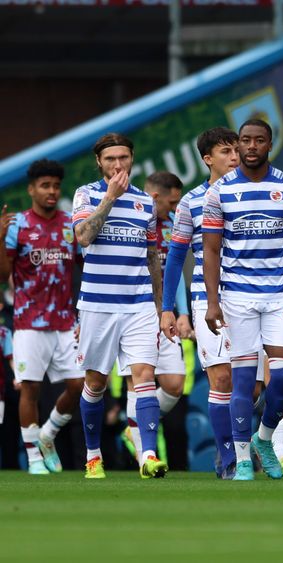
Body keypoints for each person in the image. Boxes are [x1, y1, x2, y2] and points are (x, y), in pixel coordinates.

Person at [202, 118, 283, 481]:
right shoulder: (219, 192)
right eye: (244, 141)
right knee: (244, 380)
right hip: (237, 297)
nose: (250, 147)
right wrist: (212, 301)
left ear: (270, 144)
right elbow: (210, 249)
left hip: (279, 294)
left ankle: (263, 439)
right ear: (238, 147)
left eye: (258, 141)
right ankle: (243, 460)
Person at [72, 133, 166, 479]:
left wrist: (160, 306)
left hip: (139, 303)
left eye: (123, 158)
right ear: (99, 162)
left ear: (132, 159)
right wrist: (110, 198)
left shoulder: (146, 202)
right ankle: (93, 456)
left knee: (144, 377)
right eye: (110, 159)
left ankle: (149, 455)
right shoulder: (86, 194)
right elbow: (83, 237)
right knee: (96, 382)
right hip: (98, 304)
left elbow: (153, 256)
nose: (117, 165)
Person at [160, 127, 241, 478]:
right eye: (226, 151)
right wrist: (168, 308)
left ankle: (252, 443)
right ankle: (229, 457)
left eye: (236, 150)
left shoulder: (253, 193)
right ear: (208, 158)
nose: (235, 156)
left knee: (252, 384)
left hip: (251, 294)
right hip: (206, 298)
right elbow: (175, 258)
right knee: (221, 379)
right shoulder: (191, 202)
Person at [0, 159, 83, 475]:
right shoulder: (17, 225)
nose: (52, 191)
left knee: (79, 385)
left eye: (56, 186)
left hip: (65, 323)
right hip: (28, 324)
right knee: (30, 390)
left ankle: (47, 434)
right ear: (31, 189)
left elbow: (83, 265)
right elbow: (2, 274)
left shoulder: (69, 224)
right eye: (45, 186)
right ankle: (34, 457)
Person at [119, 171, 188, 463]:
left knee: (175, 383)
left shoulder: (173, 227)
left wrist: (182, 312)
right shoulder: (130, 221)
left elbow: (175, 272)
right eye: (172, 203)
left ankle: (135, 424)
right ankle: (145, 457)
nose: (176, 209)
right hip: (133, 312)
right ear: (155, 197)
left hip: (164, 314)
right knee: (139, 381)